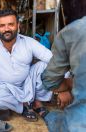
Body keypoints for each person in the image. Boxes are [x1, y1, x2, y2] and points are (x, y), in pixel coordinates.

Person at [0, 9, 52, 121]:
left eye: (11, 24)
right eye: (2, 25)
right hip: (1, 86)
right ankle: (23, 107)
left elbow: (52, 58)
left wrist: (64, 84)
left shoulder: (28, 42)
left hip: (27, 84)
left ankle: (36, 101)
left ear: (18, 25)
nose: (6, 29)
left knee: (44, 66)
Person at [42, 0, 86, 131]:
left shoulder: (73, 31)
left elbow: (49, 79)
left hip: (80, 122)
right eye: (2, 25)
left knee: (53, 117)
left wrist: (68, 85)